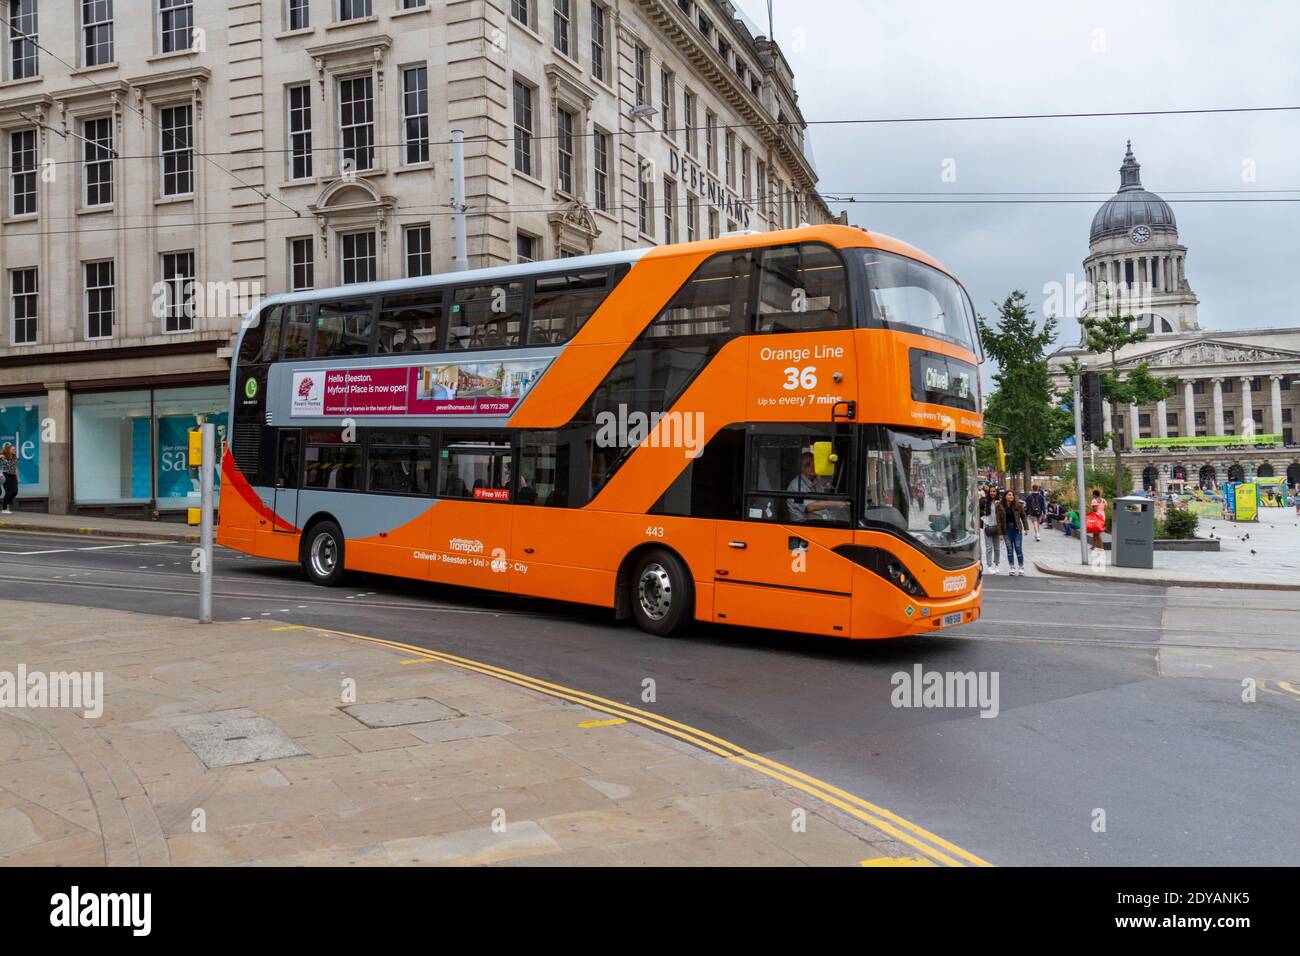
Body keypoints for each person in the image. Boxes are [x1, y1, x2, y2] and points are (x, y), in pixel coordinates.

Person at [786, 451, 848, 523]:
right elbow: (810, 507)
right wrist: (836, 503)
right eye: (810, 465)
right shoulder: (796, 486)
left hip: (821, 520)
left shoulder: (815, 480)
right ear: (802, 468)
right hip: (806, 526)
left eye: (815, 463)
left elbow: (830, 478)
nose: (814, 467)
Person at [997, 489, 1029, 576]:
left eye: (1012, 495)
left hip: (1017, 530)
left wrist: (1026, 528)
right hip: (1006, 531)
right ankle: (1011, 567)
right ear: (1005, 496)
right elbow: (998, 521)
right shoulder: (1000, 506)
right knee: (1010, 550)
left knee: (1018, 548)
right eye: (1009, 495)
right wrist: (1000, 533)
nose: (1011, 496)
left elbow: (1024, 517)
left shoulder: (1018, 505)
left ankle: (1021, 567)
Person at [979, 485, 1002, 573]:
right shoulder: (984, 501)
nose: (992, 493)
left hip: (997, 527)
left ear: (997, 493)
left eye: (994, 491)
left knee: (997, 548)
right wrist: (983, 515)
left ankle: (996, 564)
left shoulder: (999, 502)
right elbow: (976, 509)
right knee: (988, 548)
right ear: (989, 492)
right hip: (987, 526)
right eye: (991, 491)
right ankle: (989, 566)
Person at [0, 443, 17, 514]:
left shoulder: (14, 457)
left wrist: (17, 478)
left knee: (15, 491)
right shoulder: (3, 456)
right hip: (6, 475)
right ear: (8, 450)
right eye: (13, 449)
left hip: (13, 475)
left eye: (15, 449)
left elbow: (15, 468)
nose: (15, 450)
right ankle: (4, 508)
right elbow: (6, 464)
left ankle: (7, 502)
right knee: (9, 491)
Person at [1089, 487, 1107, 552]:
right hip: (1102, 517)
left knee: (1097, 533)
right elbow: (1104, 509)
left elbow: (1095, 509)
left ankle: (1101, 547)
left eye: (1092, 495)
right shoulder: (1103, 500)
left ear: (1094, 495)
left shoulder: (1094, 500)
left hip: (1096, 517)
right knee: (1095, 532)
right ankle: (1093, 546)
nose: (1092, 496)